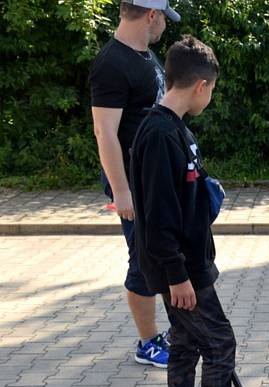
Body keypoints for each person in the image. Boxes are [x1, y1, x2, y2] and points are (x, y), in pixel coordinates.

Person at [129, 35, 269, 387]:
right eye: (212, 89)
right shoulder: (158, 135)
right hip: (183, 269)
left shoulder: (175, 130)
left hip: (188, 263)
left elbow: (182, 197)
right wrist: (177, 275)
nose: (210, 95)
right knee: (220, 344)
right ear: (201, 86)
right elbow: (156, 215)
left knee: (187, 344)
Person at [89, 1, 181, 368]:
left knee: (162, 250)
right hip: (133, 183)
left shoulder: (144, 55)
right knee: (143, 258)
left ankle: (173, 330)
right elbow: (104, 132)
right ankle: (147, 343)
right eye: (163, 20)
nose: (164, 28)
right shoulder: (111, 64)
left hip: (153, 178)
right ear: (151, 15)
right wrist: (122, 190)